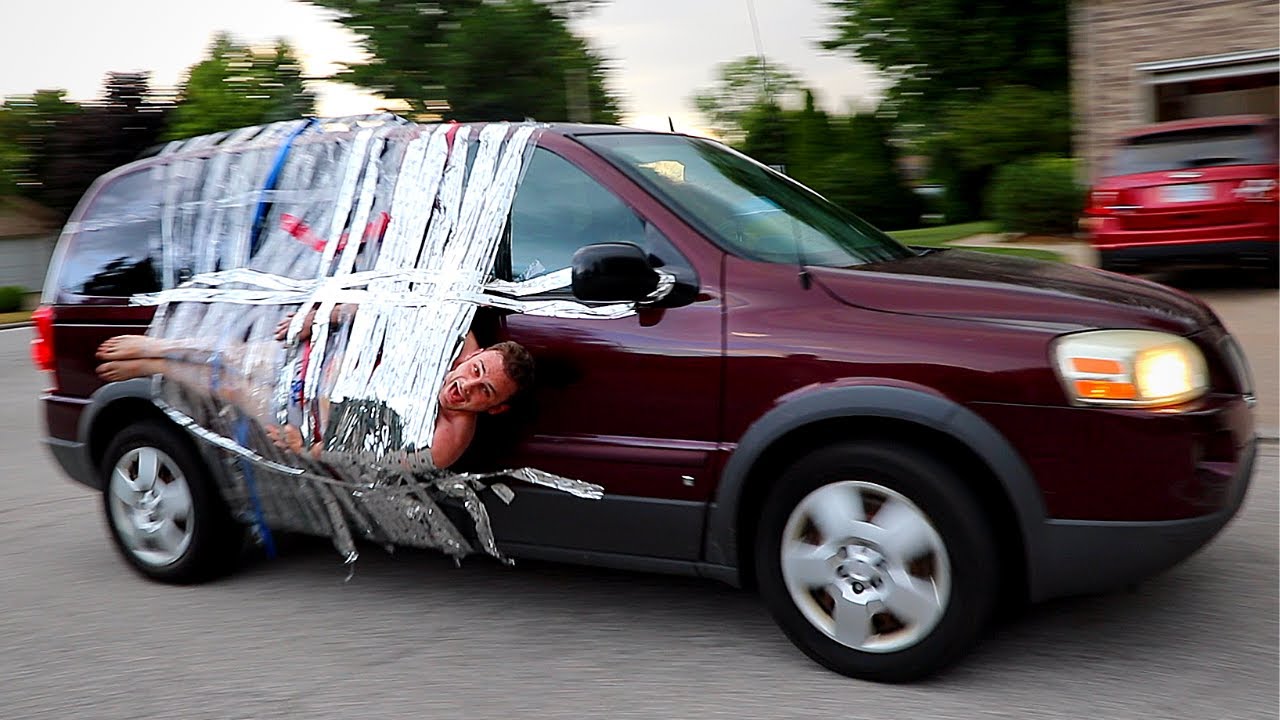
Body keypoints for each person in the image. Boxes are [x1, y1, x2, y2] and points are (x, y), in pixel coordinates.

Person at [95, 322, 535, 470]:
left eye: (483, 393)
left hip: (314, 420)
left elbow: (376, 459)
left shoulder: (448, 440)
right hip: (318, 364)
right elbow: (384, 304)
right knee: (233, 356)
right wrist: (320, 317)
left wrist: (311, 448)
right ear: (472, 356)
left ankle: (154, 365)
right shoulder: (457, 337)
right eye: (475, 372)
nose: (466, 388)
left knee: (229, 385)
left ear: (494, 409)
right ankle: (157, 350)